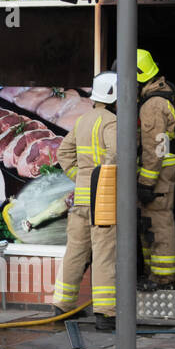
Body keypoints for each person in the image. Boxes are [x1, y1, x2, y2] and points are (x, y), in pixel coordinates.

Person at [52, 71, 119, 331]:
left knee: (76, 252)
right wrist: (106, 181)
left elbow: (63, 153)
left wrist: (80, 177)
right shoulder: (112, 122)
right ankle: (105, 313)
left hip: (81, 200)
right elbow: (116, 156)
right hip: (102, 201)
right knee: (103, 254)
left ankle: (61, 307)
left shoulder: (83, 121)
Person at [135, 49, 175, 291]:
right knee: (150, 220)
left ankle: (162, 278)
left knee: (159, 220)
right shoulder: (162, 94)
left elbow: (154, 147)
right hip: (166, 167)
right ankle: (152, 272)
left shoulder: (152, 104)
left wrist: (146, 182)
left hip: (160, 170)